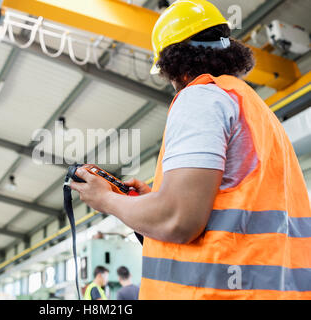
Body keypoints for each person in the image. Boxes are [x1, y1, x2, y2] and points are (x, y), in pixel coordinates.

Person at [70, 0, 311, 299]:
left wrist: (106, 199)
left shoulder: (200, 97)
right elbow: (224, 214)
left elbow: (178, 220)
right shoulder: (253, 108)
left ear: (174, 64)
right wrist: (155, 203)